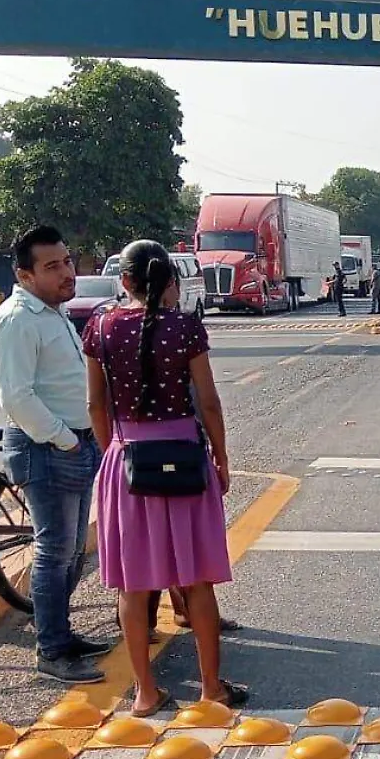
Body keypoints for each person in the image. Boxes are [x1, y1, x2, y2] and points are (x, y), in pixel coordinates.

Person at [85, 239, 244, 718]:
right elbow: (209, 402)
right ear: (169, 281)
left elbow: (96, 405)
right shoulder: (186, 328)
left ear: (125, 281)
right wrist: (221, 457)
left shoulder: (102, 326)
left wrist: (111, 451)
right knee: (196, 581)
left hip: (128, 458)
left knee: (132, 586)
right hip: (185, 458)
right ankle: (211, 688)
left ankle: (145, 693)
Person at [0, 225, 110, 684]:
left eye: (67, 261)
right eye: (52, 266)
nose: (66, 273)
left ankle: (62, 633)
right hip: (47, 447)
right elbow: (15, 396)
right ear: (25, 274)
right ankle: (51, 650)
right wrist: (66, 439)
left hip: (72, 442)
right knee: (54, 550)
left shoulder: (51, 312)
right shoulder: (17, 319)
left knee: (73, 549)